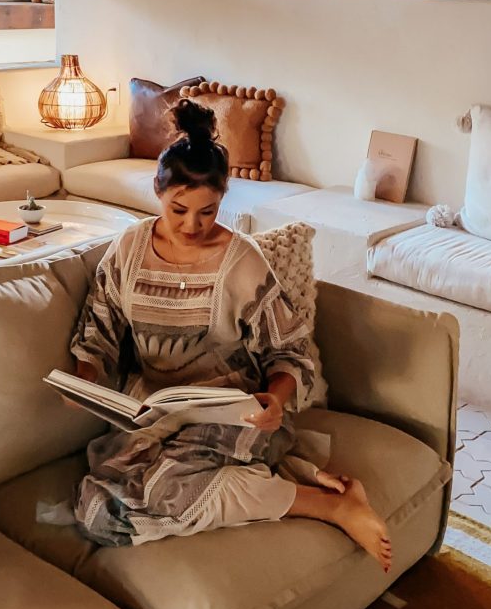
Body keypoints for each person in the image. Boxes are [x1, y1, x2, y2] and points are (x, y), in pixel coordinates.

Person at [68, 98, 391, 569]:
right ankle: (287, 481)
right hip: (151, 414)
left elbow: (290, 352)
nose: (192, 225)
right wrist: (85, 379)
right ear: (157, 190)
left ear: (223, 199)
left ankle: (331, 505)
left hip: (230, 414)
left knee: (170, 488)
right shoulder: (128, 249)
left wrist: (276, 401)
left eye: (209, 211)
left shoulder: (241, 262)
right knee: (102, 511)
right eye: (179, 209)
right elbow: (98, 329)